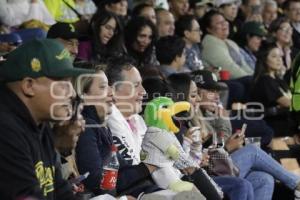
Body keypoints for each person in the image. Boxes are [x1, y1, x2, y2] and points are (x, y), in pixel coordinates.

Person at [0, 39, 94, 200]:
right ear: (29, 85)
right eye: (63, 83)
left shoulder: (39, 124)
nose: (72, 93)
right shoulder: (5, 130)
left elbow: (60, 191)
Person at [192, 70, 300, 200]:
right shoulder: (191, 117)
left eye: (216, 92)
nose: (216, 97)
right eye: (211, 92)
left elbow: (221, 138)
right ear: (197, 93)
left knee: (264, 178)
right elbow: (197, 158)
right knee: (252, 151)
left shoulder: (208, 113)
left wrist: (227, 142)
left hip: (217, 164)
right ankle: (296, 183)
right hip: (207, 173)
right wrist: (226, 147)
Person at [251, 41, 294, 136]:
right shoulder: (265, 81)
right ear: (264, 59)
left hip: (286, 121)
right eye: (274, 56)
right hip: (273, 126)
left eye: (280, 56)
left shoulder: (278, 80)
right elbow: (288, 103)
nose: (279, 60)